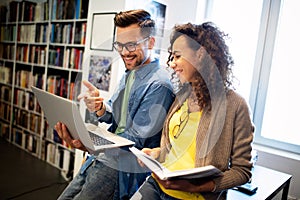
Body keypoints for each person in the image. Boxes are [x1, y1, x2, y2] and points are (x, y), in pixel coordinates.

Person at [55, 9, 175, 200]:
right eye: (119, 45)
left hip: (118, 171)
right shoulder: (131, 72)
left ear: (151, 42)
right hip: (100, 159)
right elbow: (115, 115)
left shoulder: (159, 85)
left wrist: (90, 144)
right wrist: (101, 108)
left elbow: (135, 142)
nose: (124, 52)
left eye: (131, 45)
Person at [131, 22, 255, 200]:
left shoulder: (235, 105)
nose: (172, 64)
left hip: (192, 196)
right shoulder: (183, 95)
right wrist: (156, 154)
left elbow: (242, 171)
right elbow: (176, 149)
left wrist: (199, 187)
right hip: (156, 185)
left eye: (177, 56)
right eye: (171, 57)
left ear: (201, 55)